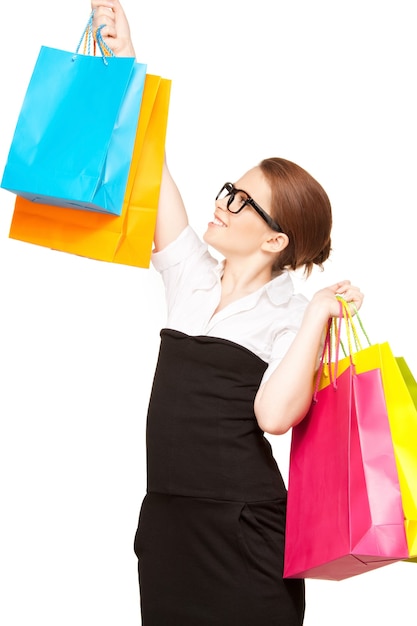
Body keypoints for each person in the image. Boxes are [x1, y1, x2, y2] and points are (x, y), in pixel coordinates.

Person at [91, 2, 364, 624]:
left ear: (275, 241)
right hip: (168, 528)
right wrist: (125, 67)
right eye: (228, 190)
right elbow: (152, 167)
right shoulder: (189, 275)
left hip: (244, 533)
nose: (223, 202)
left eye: (242, 201)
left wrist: (320, 311)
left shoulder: (291, 316)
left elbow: (273, 416)